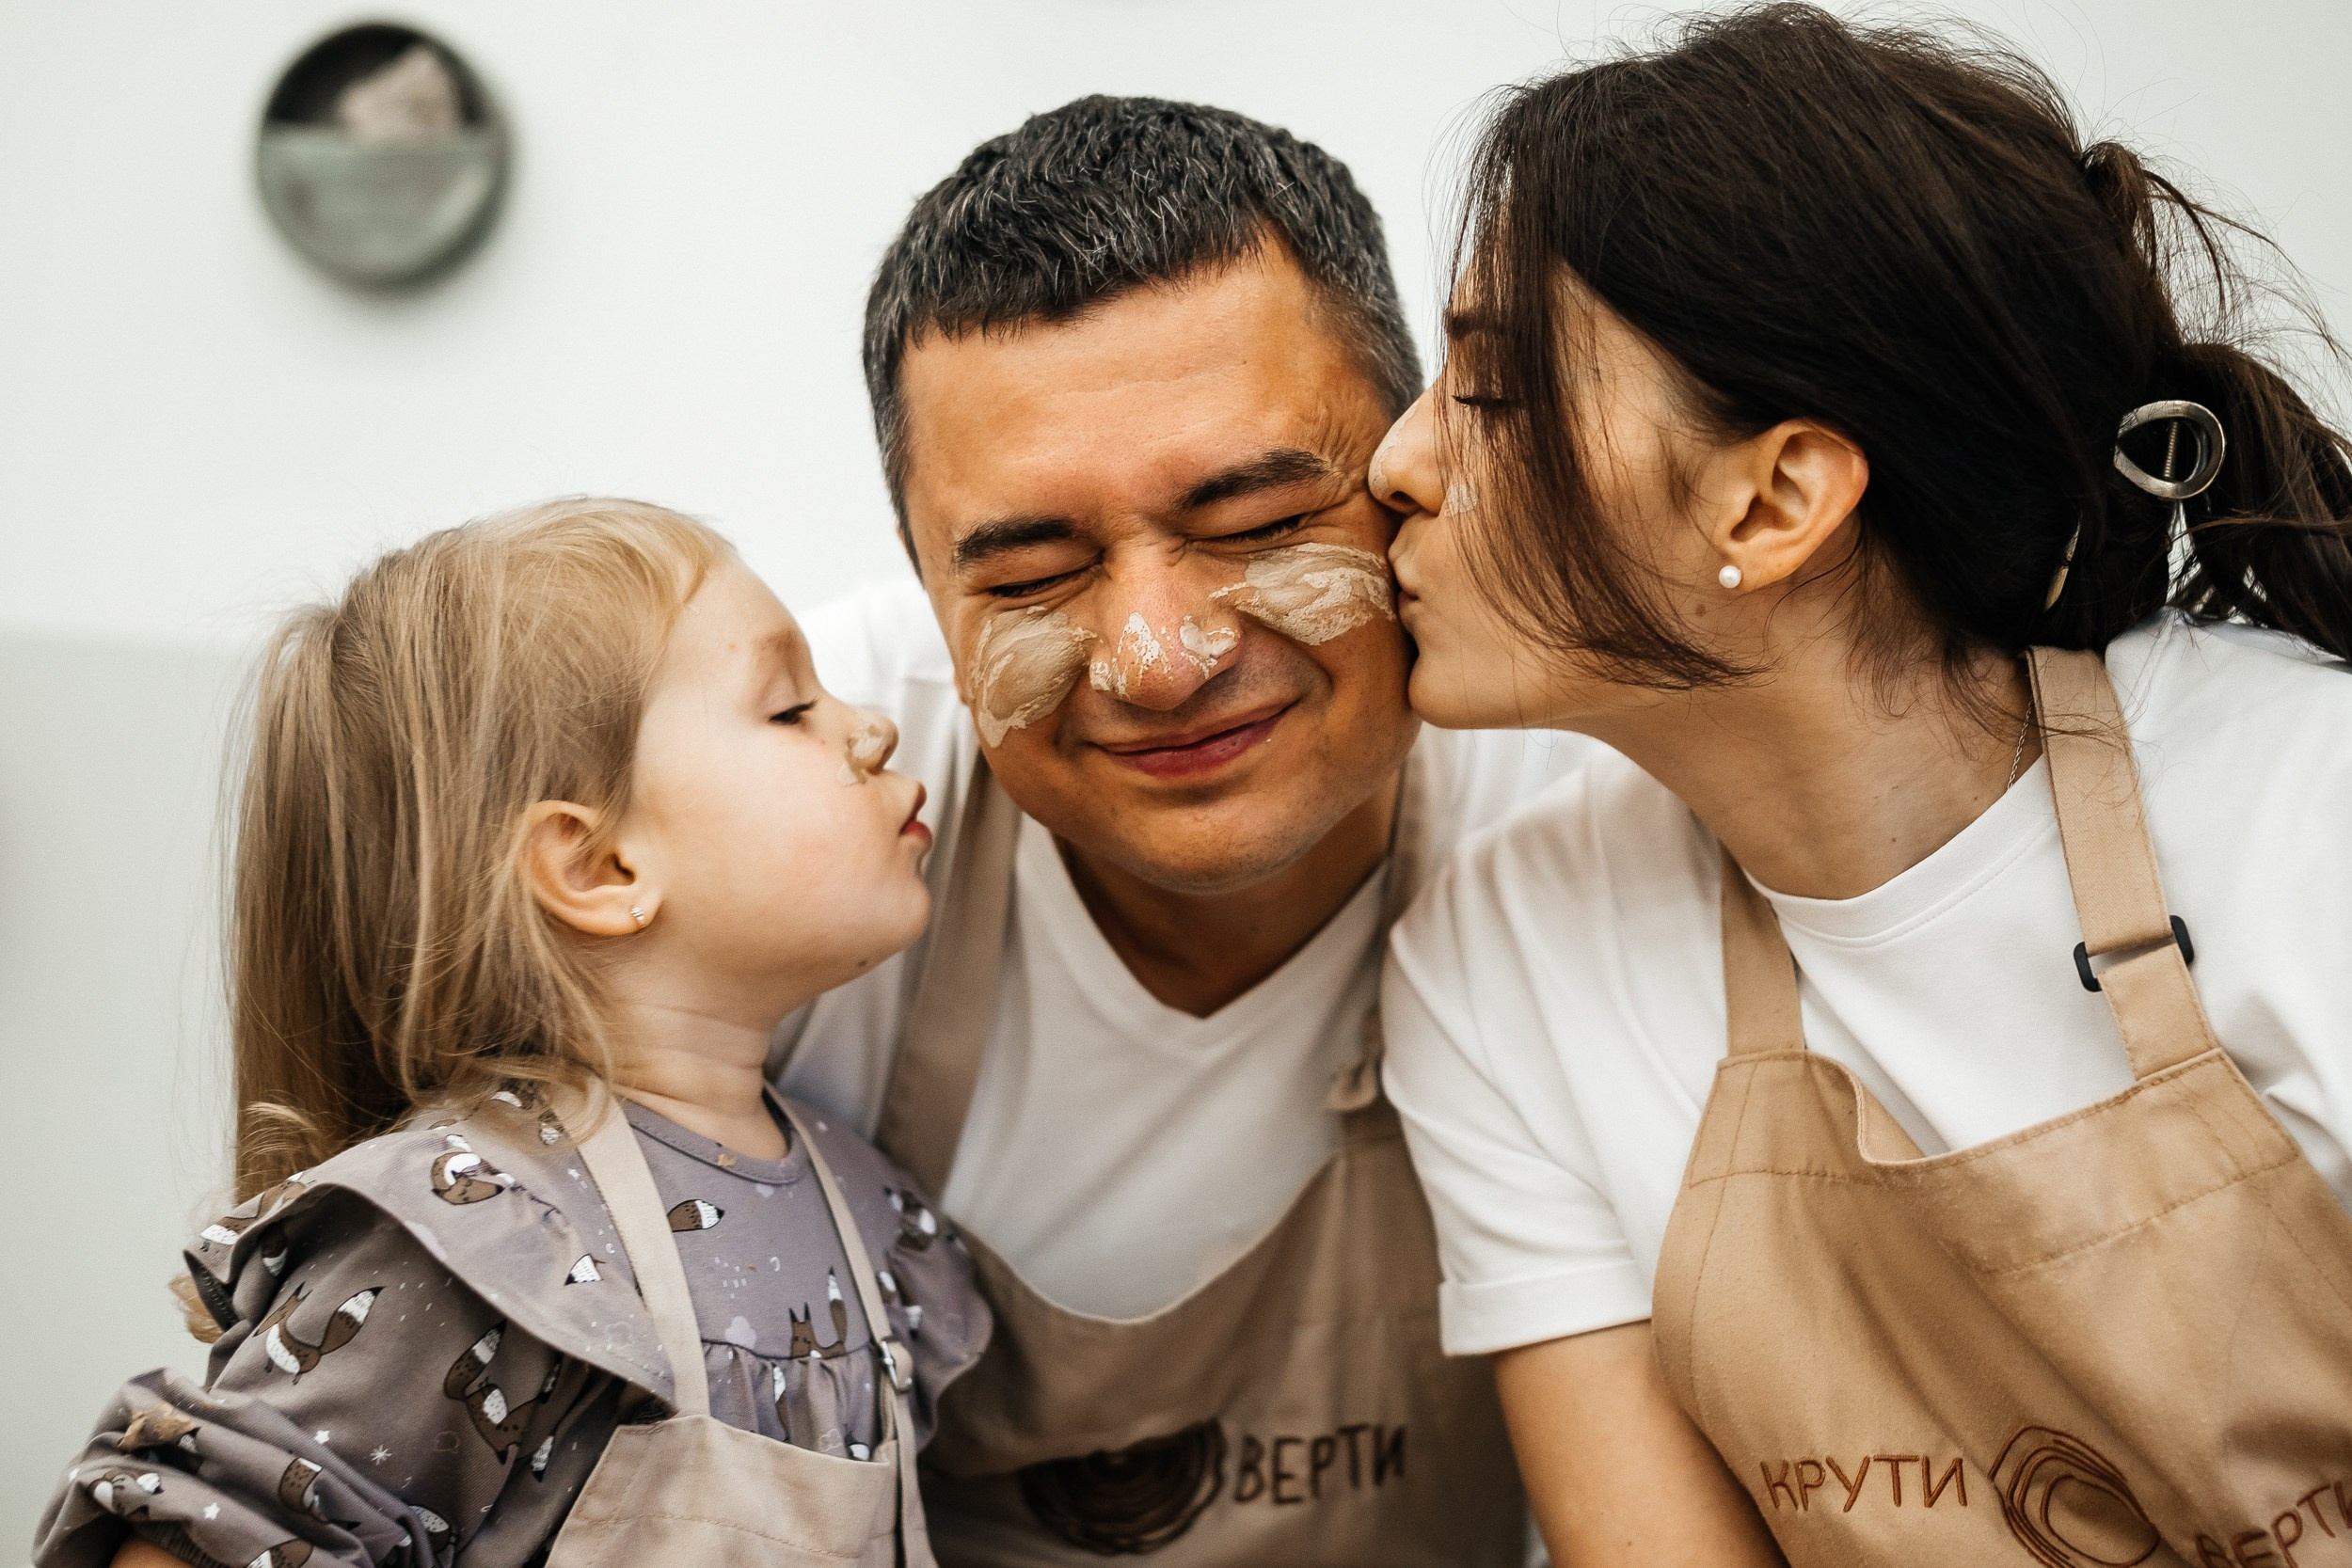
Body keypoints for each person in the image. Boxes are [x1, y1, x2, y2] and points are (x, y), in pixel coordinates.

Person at [1371, 8, 2352, 1566]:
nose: (1395, 465)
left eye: (1492, 392)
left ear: (1771, 500)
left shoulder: (2315, 818)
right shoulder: (1504, 957)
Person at [774, 97, 1587, 1564]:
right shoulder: (789, 814)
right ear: (919, 597)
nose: (1161, 657)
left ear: (1408, 473)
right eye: (1031, 568)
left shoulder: (1593, 794)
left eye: (1260, 524)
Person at [34, 499, 988, 1568]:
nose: (871, 725)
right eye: (790, 707)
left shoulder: (873, 1219)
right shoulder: (472, 1244)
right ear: (599, 868)